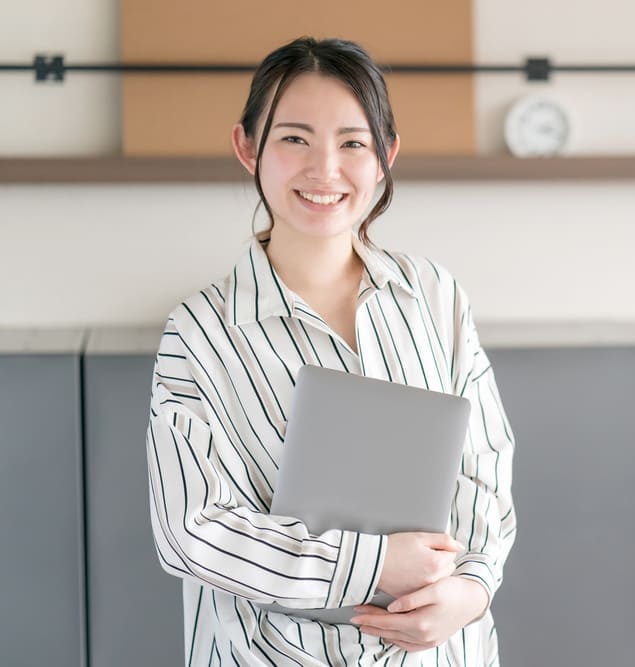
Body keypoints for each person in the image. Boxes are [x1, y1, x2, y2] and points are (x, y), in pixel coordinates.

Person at [144, 36, 516, 666]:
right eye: (294, 139)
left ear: (385, 156)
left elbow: (485, 468)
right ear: (247, 147)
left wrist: (471, 589)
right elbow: (191, 532)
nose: (325, 170)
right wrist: (372, 562)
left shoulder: (433, 295)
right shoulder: (200, 332)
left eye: (352, 143)